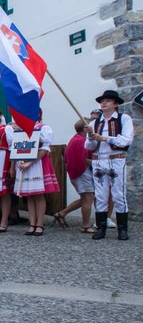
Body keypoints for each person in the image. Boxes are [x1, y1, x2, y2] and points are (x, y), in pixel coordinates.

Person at [84, 90, 133, 241]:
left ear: (116, 104)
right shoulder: (94, 123)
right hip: (99, 160)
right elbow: (89, 146)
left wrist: (104, 138)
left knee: (118, 194)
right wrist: (92, 137)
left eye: (108, 100)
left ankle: (122, 229)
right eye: (102, 101)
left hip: (116, 159)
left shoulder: (123, 119)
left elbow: (126, 140)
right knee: (100, 195)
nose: (104, 103)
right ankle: (101, 228)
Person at [14, 111, 59, 236]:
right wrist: (20, 160)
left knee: (38, 195)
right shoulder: (21, 129)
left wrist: (31, 162)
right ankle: (32, 223)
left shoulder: (44, 128)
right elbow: (17, 147)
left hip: (38, 163)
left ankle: (40, 224)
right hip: (24, 162)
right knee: (29, 195)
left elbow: (45, 147)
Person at [53, 119, 95, 233]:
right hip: (82, 173)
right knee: (88, 198)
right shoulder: (82, 141)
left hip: (77, 173)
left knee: (85, 198)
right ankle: (86, 226)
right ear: (85, 129)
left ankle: (62, 213)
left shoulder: (75, 139)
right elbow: (84, 160)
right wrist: (100, 162)